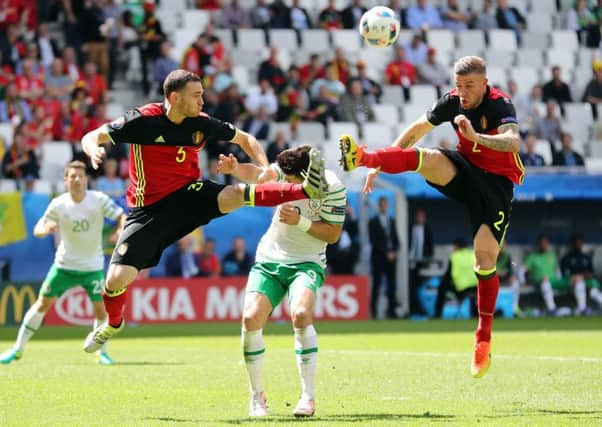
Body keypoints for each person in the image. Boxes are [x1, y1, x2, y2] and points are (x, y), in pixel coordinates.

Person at [81, 69, 328, 353]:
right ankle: (113, 324)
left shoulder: (201, 123)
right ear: (174, 97)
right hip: (148, 209)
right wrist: (93, 150)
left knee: (235, 193)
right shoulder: (142, 120)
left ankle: (306, 190)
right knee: (116, 280)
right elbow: (92, 136)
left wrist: (265, 168)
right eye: (196, 95)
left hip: (188, 195)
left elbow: (246, 139)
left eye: (202, 94)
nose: (202, 101)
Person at [339, 56, 523, 378]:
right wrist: (380, 162)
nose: (462, 92)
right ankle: (364, 154)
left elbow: (512, 141)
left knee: (484, 259)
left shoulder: (499, 104)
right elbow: (419, 128)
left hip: (496, 186)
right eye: (458, 85)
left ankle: (483, 337)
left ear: (484, 83)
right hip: (465, 171)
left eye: (469, 86)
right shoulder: (453, 102)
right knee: (428, 158)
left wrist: (477, 137)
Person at [219, 144, 346, 418]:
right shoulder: (284, 173)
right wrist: (235, 169)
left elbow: (333, 234)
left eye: (290, 182)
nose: (285, 186)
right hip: (270, 259)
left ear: (306, 176)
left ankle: (307, 397)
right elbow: (260, 175)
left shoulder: (334, 187)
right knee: (251, 319)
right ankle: (256, 396)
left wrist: (300, 221)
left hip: (308, 261)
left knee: (300, 314)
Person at [0, 161, 126, 365]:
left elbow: (122, 216)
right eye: (72, 176)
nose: (77, 180)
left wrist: (120, 230)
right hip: (64, 266)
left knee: (101, 311)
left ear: (86, 179)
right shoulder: (59, 203)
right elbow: (39, 226)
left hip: (91, 267)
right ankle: (17, 349)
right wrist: (45, 229)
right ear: (66, 180)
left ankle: (102, 353)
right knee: (42, 303)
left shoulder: (98, 200)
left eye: (80, 176)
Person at [369, 196, 400, 319]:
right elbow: (374, 241)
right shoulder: (373, 221)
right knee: (377, 284)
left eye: (385, 204)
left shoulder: (391, 220)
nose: (384, 206)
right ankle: (374, 312)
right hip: (379, 258)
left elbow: (396, 239)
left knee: (392, 284)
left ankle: (392, 311)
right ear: (379, 206)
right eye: (382, 204)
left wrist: (394, 251)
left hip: (391, 258)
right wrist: (386, 252)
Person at [434, 239, 478, 319]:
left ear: (457, 247)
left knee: (442, 287)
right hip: (476, 288)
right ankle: (475, 314)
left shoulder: (455, 256)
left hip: (461, 289)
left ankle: (437, 314)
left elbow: (448, 276)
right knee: (473, 295)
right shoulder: (473, 255)